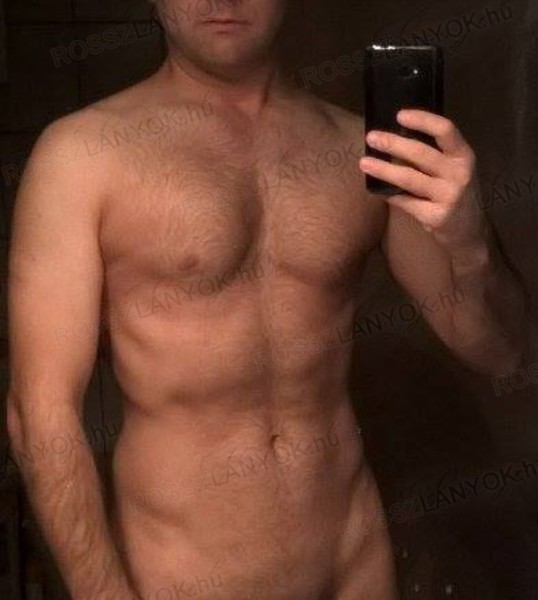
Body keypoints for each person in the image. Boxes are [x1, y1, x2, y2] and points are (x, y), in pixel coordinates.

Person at [6, 0, 527, 598]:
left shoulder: (362, 148)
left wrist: (471, 241)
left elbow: (501, 354)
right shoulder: (82, 157)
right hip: (180, 579)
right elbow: (40, 412)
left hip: (353, 570)